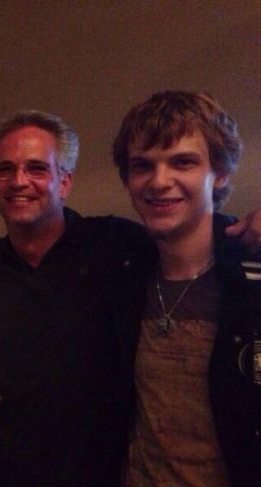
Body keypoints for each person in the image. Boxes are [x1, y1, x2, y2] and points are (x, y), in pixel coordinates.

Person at [0, 110, 152, 486]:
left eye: (36, 168)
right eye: (5, 169)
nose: (18, 181)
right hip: (14, 474)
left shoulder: (116, 245)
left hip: (109, 475)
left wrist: (241, 227)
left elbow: (188, 241)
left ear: (64, 182)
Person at [112, 91, 261, 485]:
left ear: (221, 172)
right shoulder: (122, 274)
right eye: (143, 165)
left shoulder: (254, 280)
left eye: (182, 162)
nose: (160, 181)